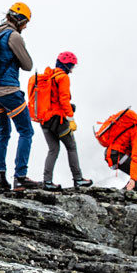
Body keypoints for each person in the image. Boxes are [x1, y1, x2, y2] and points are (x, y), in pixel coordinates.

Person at [0, 3, 38, 191]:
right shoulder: (14, 36)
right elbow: (28, 65)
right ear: (20, 20)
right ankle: (20, 176)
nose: (25, 26)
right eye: (25, 23)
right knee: (26, 131)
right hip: (9, 92)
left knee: (4, 132)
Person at [34, 52, 92, 191]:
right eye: (72, 66)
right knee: (71, 147)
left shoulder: (49, 76)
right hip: (58, 120)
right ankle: (78, 179)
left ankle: (47, 181)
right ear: (67, 65)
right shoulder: (63, 77)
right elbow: (64, 100)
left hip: (44, 120)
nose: (72, 69)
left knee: (53, 149)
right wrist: (71, 119)